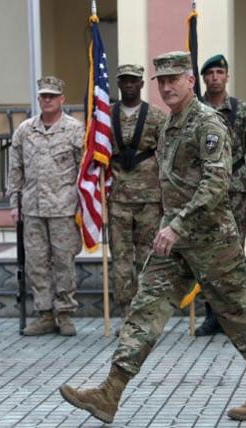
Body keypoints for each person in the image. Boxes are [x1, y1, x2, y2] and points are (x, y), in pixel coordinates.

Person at [59, 51, 246, 424]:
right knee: (146, 307)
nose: (166, 87)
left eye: (173, 79)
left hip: (212, 240)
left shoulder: (207, 124)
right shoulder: (169, 125)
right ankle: (110, 392)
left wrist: (177, 224)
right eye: (160, 81)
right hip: (174, 242)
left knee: (236, 314)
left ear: (190, 81)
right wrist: (172, 226)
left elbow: (216, 182)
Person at [194, 54, 246, 336]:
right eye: (209, 73)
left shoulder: (241, 110)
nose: (214, 77)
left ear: (227, 76)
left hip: (234, 193)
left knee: (233, 256)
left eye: (219, 72)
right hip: (203, 194)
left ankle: (233, 316)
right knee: (207, 257)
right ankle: (212, 314)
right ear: (203, 79)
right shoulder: (195, 111)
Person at [7, 76, 84, 336]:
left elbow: (84, 171)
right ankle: (44, 315)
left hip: (63, 208)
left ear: (62, 99)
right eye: (43, 96)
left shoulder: (75, 130)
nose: (47, 99)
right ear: (39, 99)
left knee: (64, 262)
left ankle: (64, 314)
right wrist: (14, 202)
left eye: (52, 95)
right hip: (32, 208)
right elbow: (15, 168)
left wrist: (83, 206)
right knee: (37, 263)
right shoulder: (25, 130)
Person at [108, 64, 166, 336]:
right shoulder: (105, 118)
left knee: (147, 258)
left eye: (133, 81)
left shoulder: (155, 117)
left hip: (149, 199)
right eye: (124, 81)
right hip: (118, 198)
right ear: (119, 85)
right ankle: (126, 314)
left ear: (142, 84)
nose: (129, 85)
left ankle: (145, 315)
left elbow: (166, 157)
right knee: (120, 259)